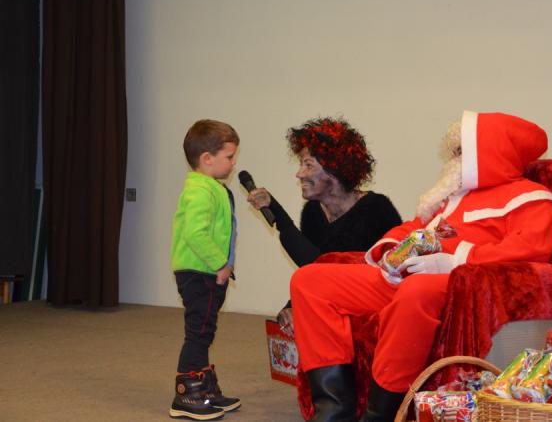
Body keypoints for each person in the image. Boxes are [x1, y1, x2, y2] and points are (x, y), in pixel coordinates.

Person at [291, 111, 552, 422]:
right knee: (309, 280)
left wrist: (454, 261)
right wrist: (389, 251)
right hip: (406, 276)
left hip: (459, 285)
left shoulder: (531, 197)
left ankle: (381, 414)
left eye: (461, 150)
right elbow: (413, 227)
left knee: (416, 289)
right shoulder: (452, 195)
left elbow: (530, 249)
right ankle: (333, 409)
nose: (454, 158)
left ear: (491, 151)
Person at [246, 117, 402, 335]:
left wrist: (280, 216)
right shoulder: (312, 211)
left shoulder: (377, 209)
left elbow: (394, 276)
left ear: (334, 169)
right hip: (333, 308)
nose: (299, 173)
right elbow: (312, 269)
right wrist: (291, 307)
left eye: (308, 165)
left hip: (375, 316)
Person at [169, 119, 242, 420]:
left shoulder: (211, 187)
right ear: (207, 158)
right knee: (199, 333)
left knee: (205, 330)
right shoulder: (200, 190)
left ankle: (205, 389)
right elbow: (194, 233)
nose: (234, 163)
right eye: (229, 157)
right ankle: (186, 394)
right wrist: (219, 264)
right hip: (200, 273)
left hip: (205, 272)